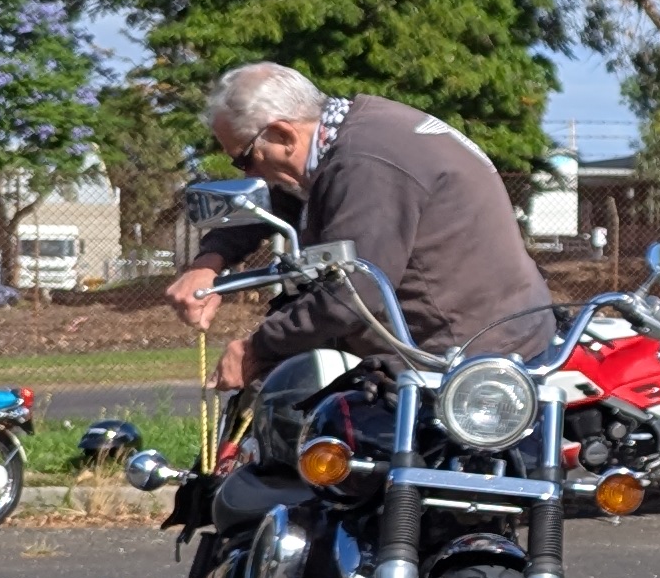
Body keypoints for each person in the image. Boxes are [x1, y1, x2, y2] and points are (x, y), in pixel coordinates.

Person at [167, 64, 559, 385]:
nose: (249, 173)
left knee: (311, 432)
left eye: (245, 159)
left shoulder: (364, 166)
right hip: (487, 334)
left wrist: (257, 349)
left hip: (464, 358)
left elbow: (351, 296)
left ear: (283, 133)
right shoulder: (346, 133)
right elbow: (275, 198)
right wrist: (209, 263)